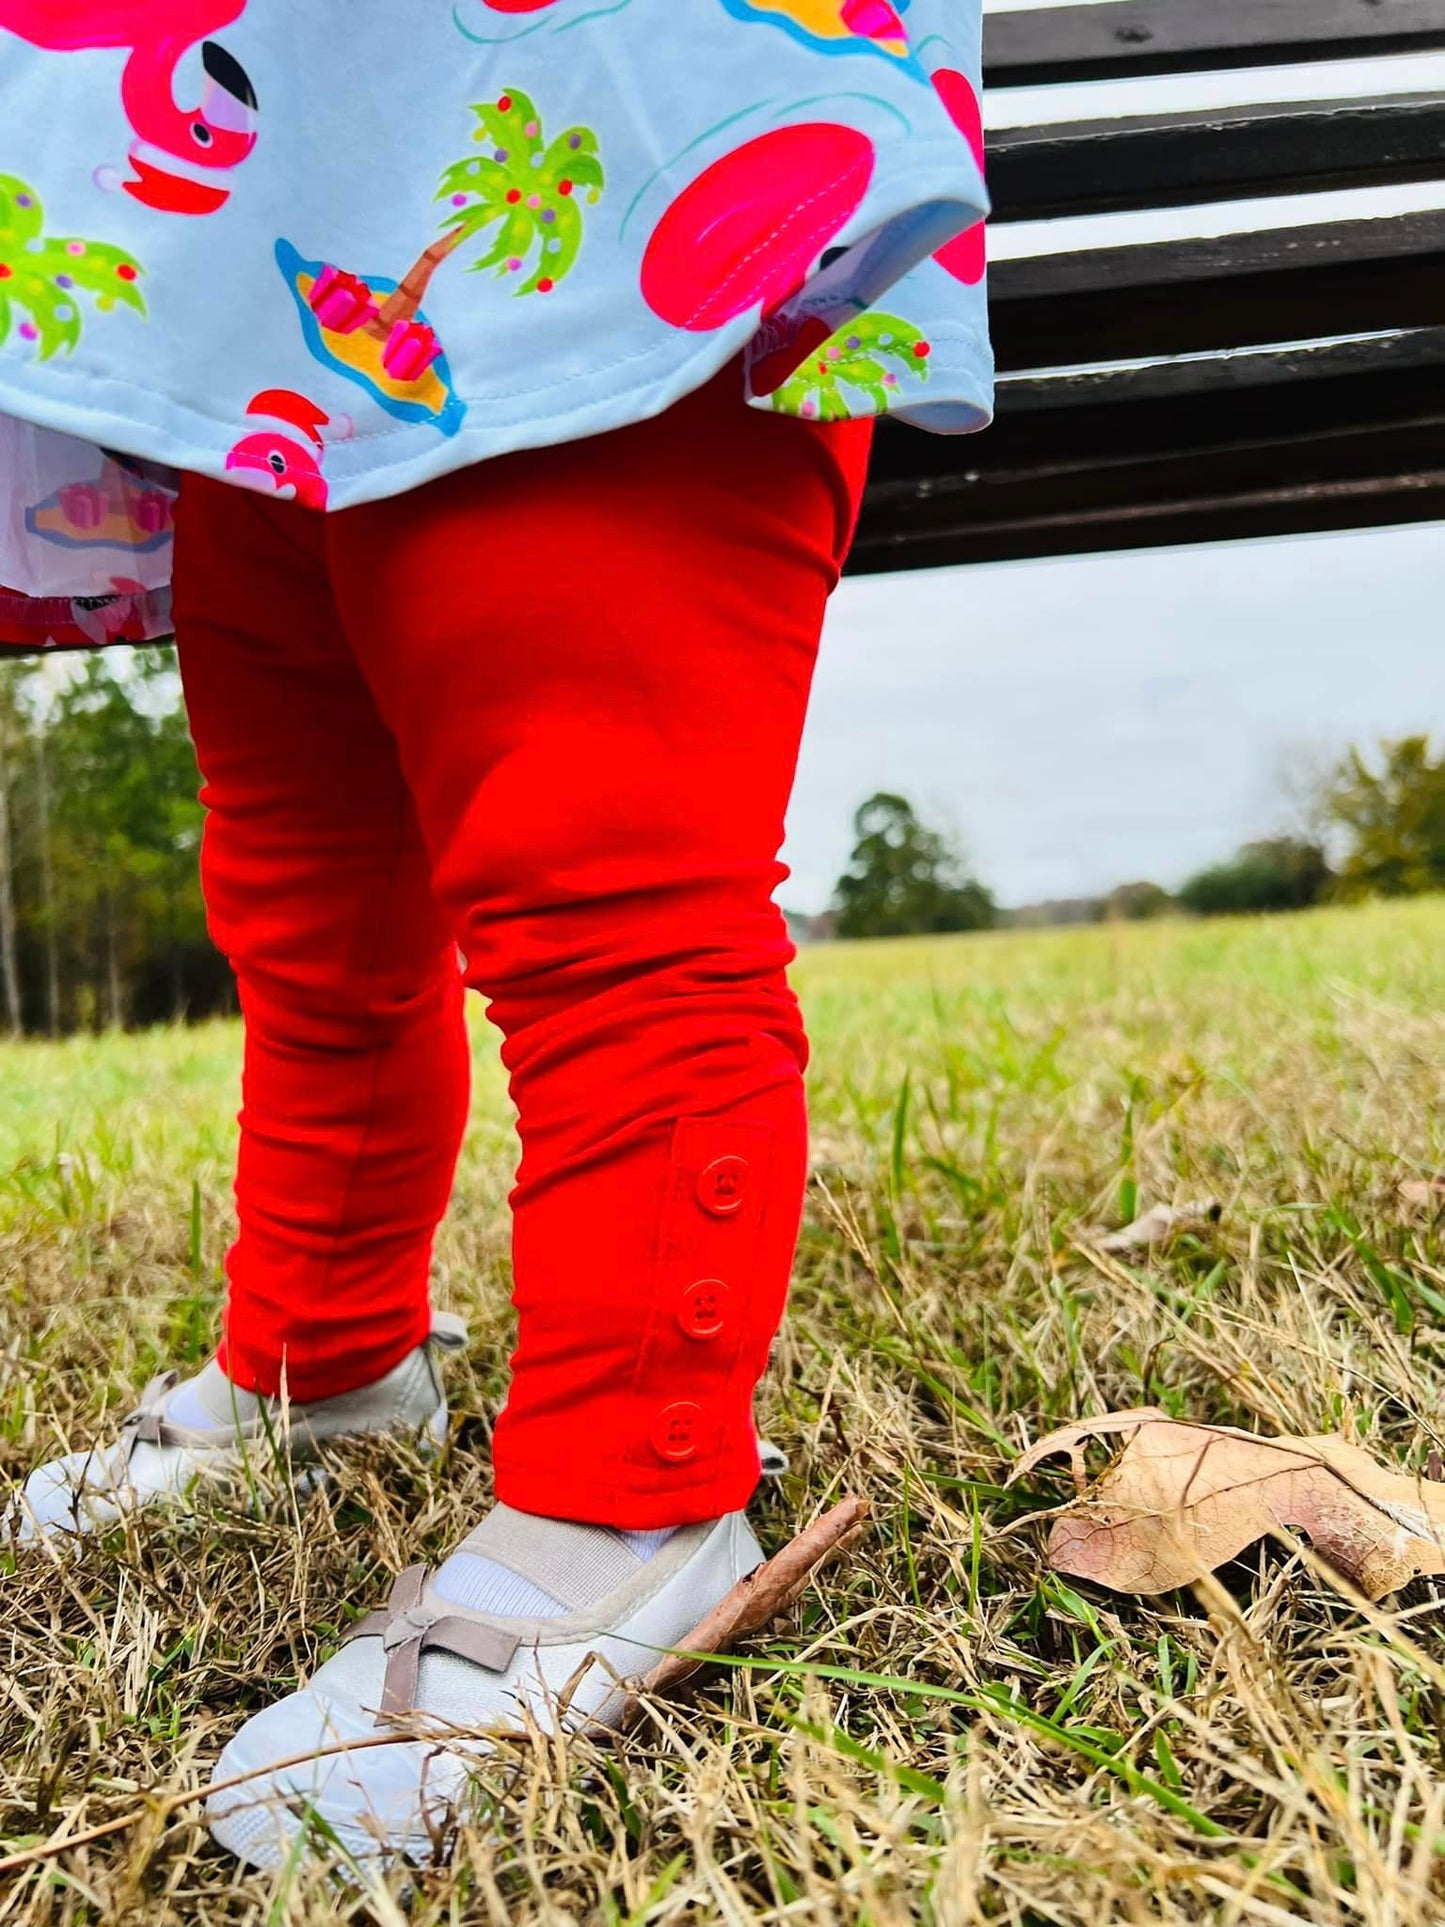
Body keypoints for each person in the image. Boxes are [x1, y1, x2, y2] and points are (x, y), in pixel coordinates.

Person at [0, 0, 990, 1871]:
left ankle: (633, 1501)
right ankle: (327, 1360)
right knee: (310, 908)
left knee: (606, 888)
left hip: (602, 184)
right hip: (252, 269)